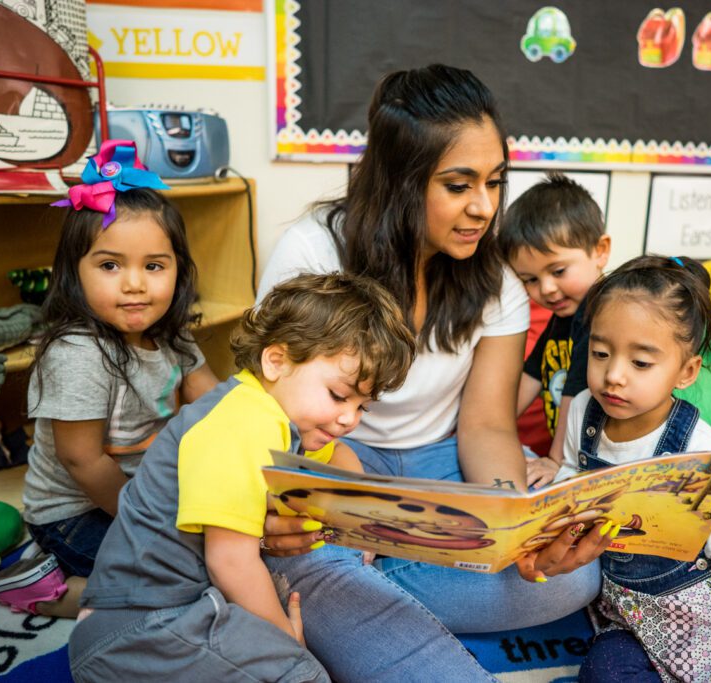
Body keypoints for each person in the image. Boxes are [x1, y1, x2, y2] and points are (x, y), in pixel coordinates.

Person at [257, 64, 609, 680]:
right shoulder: (313, 252)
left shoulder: (495, 280)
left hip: (443, 467)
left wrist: (513, 526)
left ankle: (360, 586)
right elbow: (281, 415)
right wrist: (349, 507)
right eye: (458, 184)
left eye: (495, 182)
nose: (483, 207)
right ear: (399, 179)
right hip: (336, 455)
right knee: (293, 547)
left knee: (574, 574)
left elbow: (485, 426)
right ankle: (353, 584)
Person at [67, 272, 416, 682]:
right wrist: (287, 641)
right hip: (144, 627)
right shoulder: (245, 420)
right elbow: (230, 561)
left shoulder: (275, 413)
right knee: (304, 674)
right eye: (339, 396)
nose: (349, 419)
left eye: (363, 408)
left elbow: (339, 454)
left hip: (168, 612)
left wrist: (351, 511)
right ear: (276, 360)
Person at [0, 141, 218, 617]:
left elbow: (215, 405)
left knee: (221, 554)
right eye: (110, 265)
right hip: (74, 513)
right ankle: (48, 591)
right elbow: (82, 461)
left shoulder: (172, 334)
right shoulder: (77, 353)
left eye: (154, 266)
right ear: (75, 273)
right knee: (184, 584)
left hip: (146, 493)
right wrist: (153, 524)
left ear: (178, 271)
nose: (134, 284)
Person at [558, 255, 711, 683]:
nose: (613, 376)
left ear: (686, 371)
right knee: (600, 672)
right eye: (599, 353)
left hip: (699, 621)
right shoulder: (582, 411)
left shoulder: (701, 447)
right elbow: (568, 477)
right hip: (623, 618)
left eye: (641, 363)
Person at [498, 172, 611, 488]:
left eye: (558, 271)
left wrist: (556, 459)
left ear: (600, 251)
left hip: (601, 461)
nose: (546, 289)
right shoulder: (562, 315)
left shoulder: (601, 315)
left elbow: (574, 394)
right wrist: (492, 426)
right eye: (530, 279)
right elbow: (531, 374)